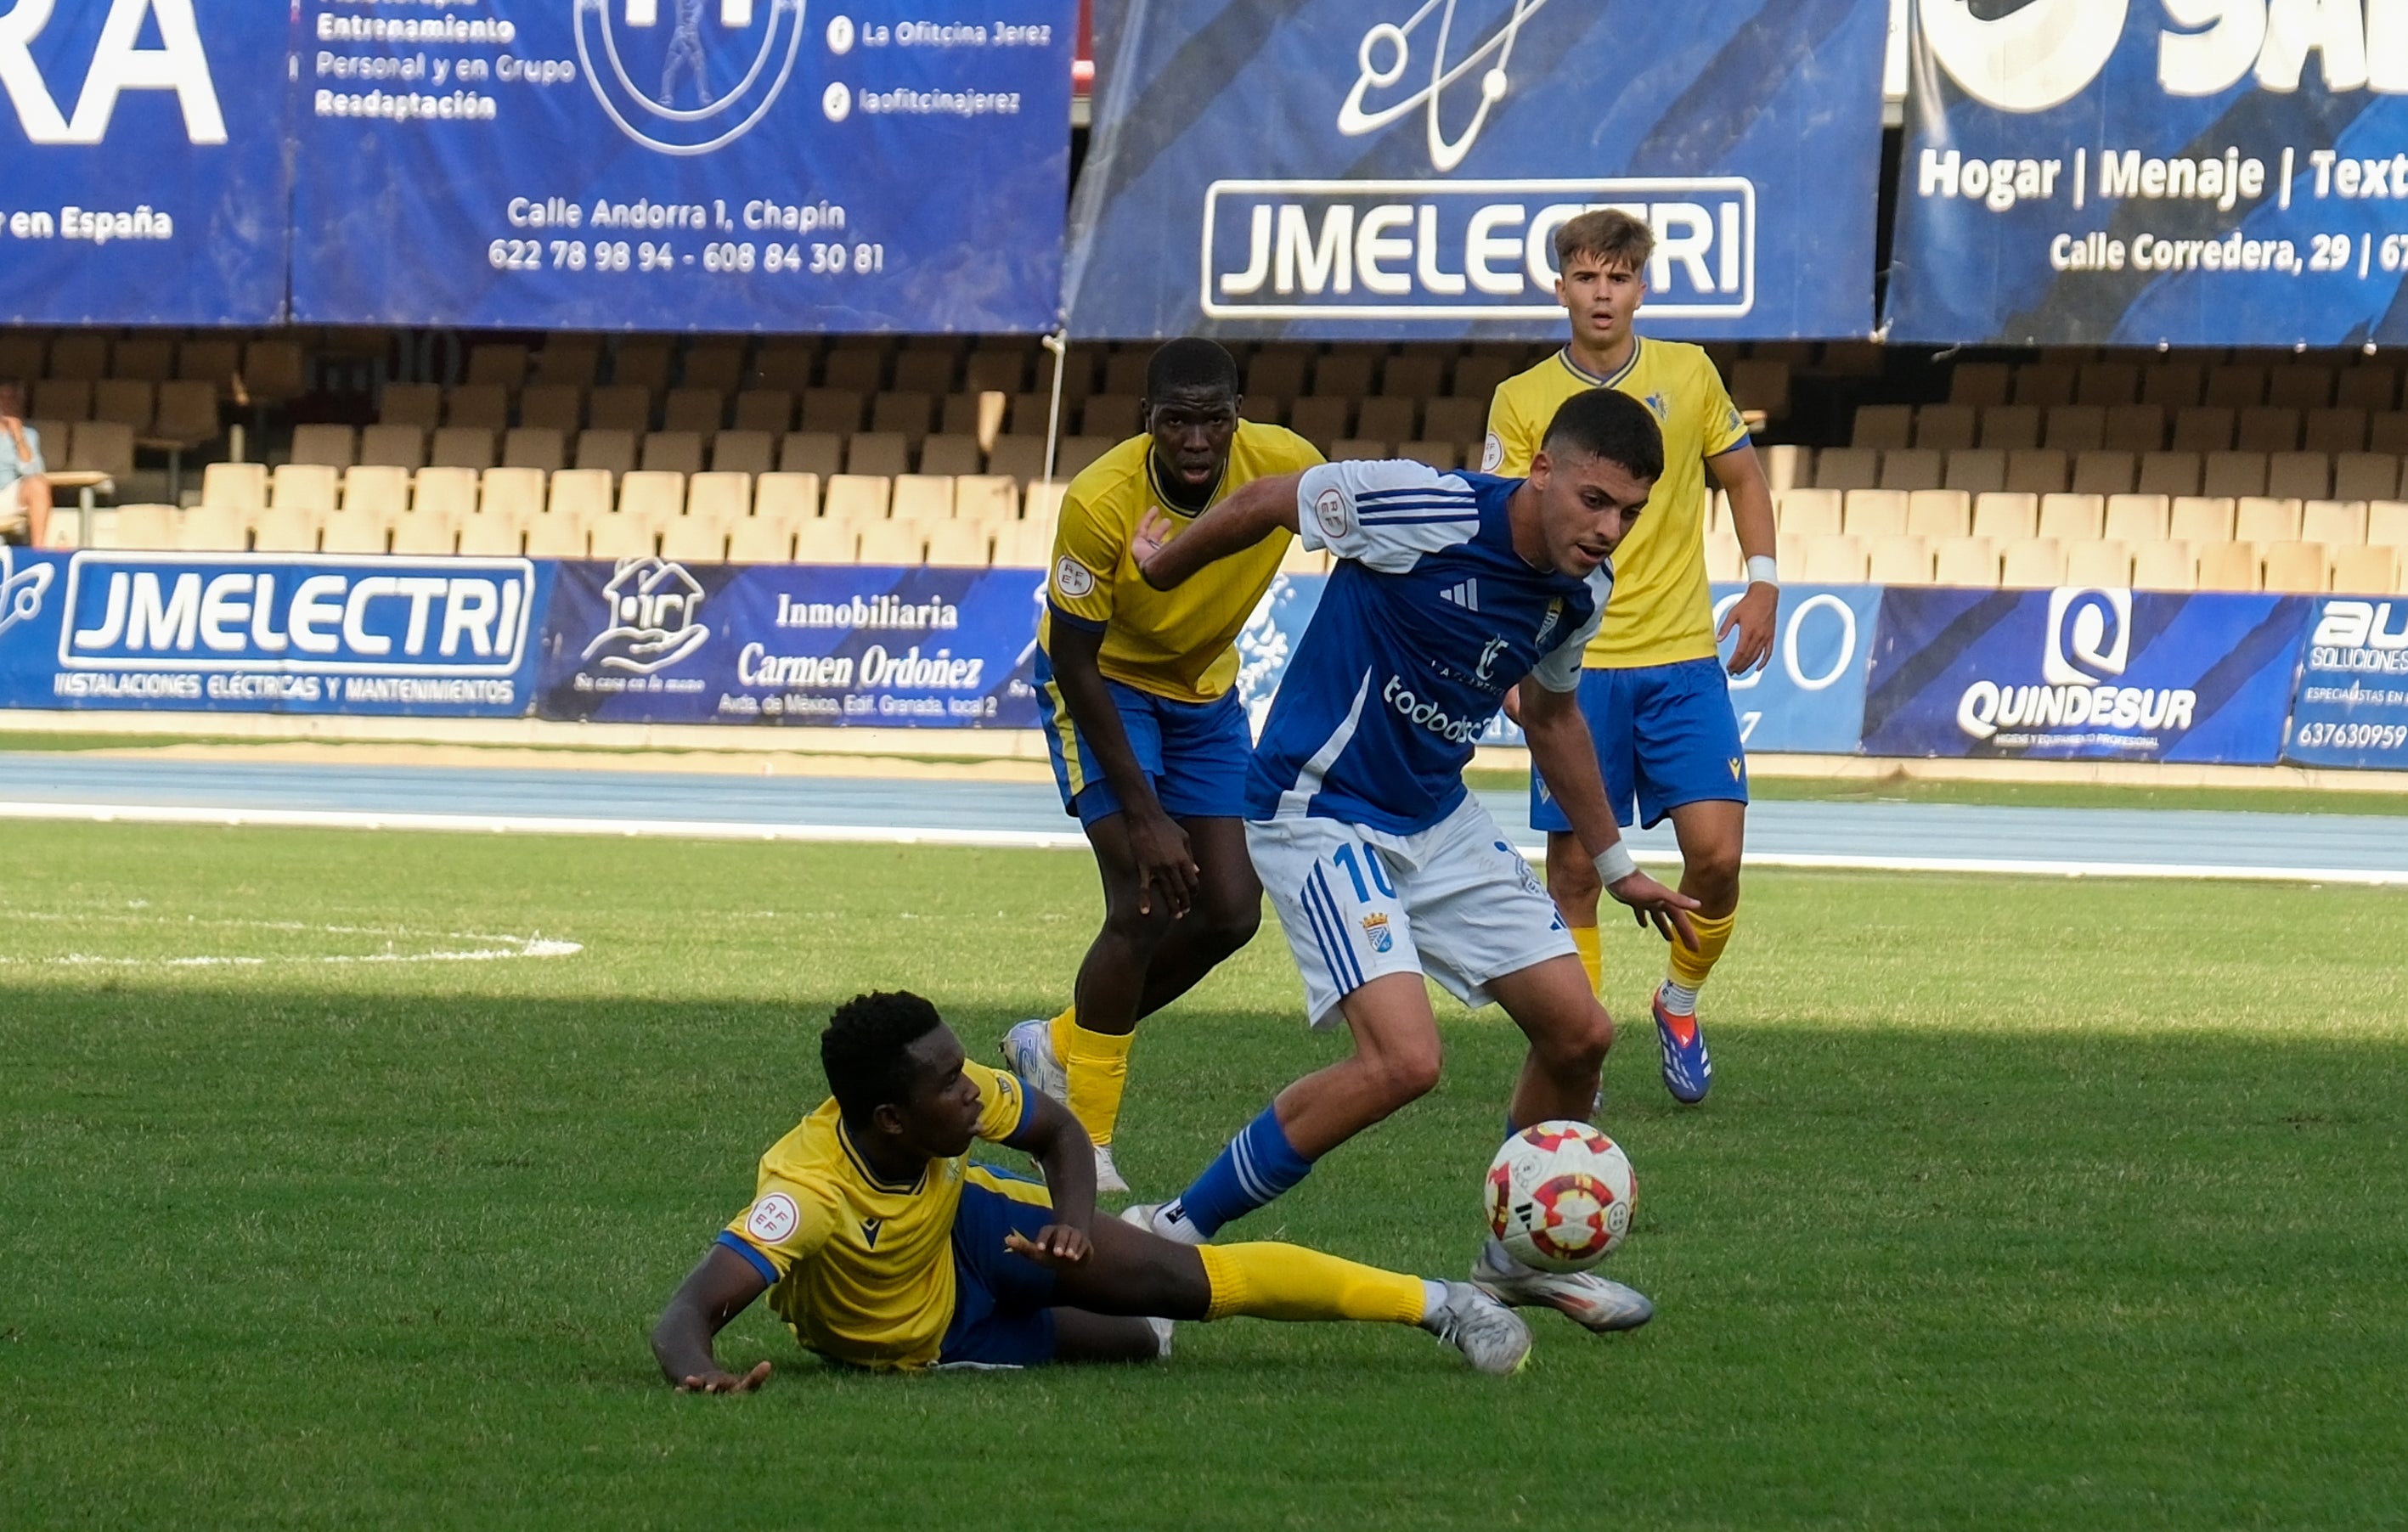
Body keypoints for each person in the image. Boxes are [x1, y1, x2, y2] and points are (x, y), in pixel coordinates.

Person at [1123, 389, 1696, 1335]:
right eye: (1595, 500)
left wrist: (1616, 861)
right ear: (1541, 469)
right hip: (1319, 809)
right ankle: (1173, 1232)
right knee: (1404, 1060)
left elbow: (1550, 718)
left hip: (1437, 816)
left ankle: (1513, 1263)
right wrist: (1162, 565)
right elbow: (1275, 498)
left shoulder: (1577, 594)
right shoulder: (1422, 508)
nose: (1610, 529)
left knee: (1581, 1034)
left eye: (1629, 513)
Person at [649, 991, 1532, 1383]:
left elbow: (1057, 1129)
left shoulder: (946, 1103)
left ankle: (1440, 1304)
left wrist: (1072, 1222)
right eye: (950, 1084)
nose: (974, 1089)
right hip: (932, 1337)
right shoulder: (807, 1194)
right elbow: (686, 1312)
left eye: (965, 1071)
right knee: (1141, 1343)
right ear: (890, 1119)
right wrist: (701, 1374)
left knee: (1187, 1286)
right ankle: (1138, 1237)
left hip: (977, 1228)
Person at [1004, 340, 1323, 1193]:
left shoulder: (1286, 464)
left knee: (1228, 910)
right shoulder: (1101, 499)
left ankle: (1060, 1044)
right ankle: (1083, 1139)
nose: (1194, 437)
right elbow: (1074, 658)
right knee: (1144, 900)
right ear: (1146, 421)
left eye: (1212, 418)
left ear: (1237, 415)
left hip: (1206, 695)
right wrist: (1145, 814)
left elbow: (1365, 538)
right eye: (1174, 419)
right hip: (1105, 684)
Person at [1483, 210, 1781, 1107]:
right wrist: (1504, 655)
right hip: (1574, 669)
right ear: (1561, 286)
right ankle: (1582, 1051)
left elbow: (1743, 478)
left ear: (1642, 287)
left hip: (1684, 659)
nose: (1601, 292)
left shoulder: (1687, 373)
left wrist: (1763, 582)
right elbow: (1500, 527)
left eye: (1617, 277)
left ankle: (1679, 1000)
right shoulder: (1522, 398)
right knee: (1573, 872)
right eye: (1584, 276)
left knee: (1717, 857)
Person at [0, 383, 53, 550]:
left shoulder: (29, 434)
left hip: (7, 494)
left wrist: (18, 436)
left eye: (12, 399)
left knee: (38, 484)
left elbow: (32, 471)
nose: (7, 403)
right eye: (2, 398)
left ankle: (37, 552)